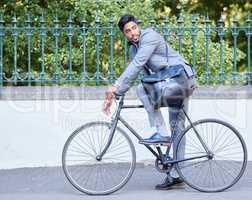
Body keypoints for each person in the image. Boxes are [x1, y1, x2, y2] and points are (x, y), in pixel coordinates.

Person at [103, 14, 196, 190]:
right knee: (142, 89)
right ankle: (171, 161)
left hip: (179, 79)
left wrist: (115, 86)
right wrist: (116, 95)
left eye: (133, 28)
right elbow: (145, 77)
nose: (132, 33)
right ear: (124, 35)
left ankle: (175, 168)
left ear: (138, 26)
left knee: (177, 128)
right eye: (127, 31)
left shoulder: (149, 36)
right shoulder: (133, 49)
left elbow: (137, 64)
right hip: (167, 84)